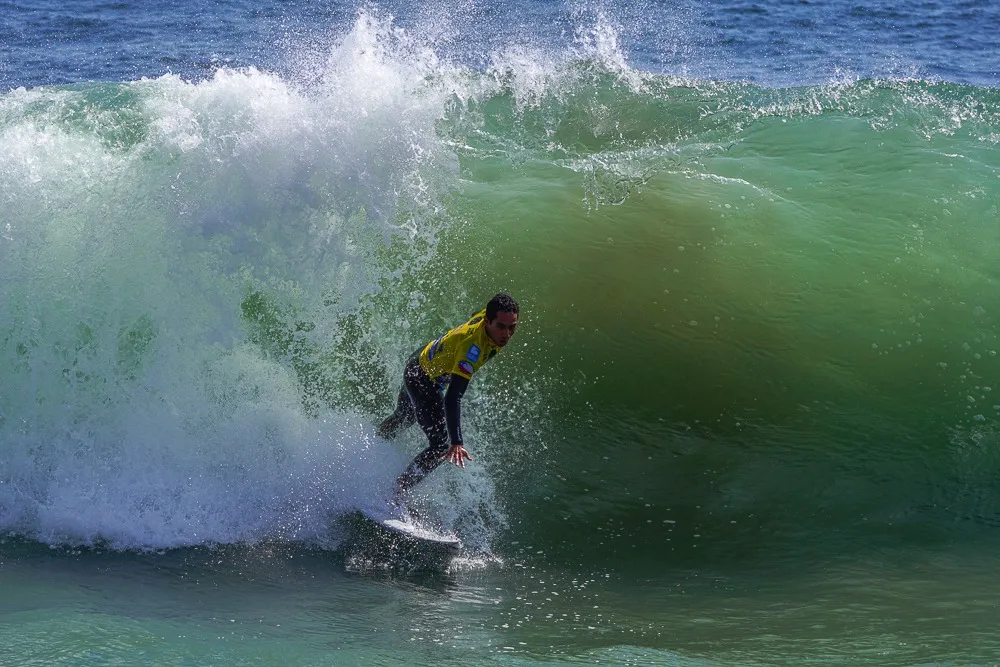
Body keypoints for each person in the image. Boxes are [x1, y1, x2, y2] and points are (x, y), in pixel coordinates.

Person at [377, 293, 520, 508]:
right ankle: (397, 493)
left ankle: (374, 439)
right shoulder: (472, 350)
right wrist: (457, 442)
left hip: (419, 360)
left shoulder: (487, 318)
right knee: (440, 445)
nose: (507, 334)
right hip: (422, 378)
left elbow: (479, 314)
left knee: (404, 417)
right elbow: (453, 396)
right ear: (488, 320)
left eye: (512, 327)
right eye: (501, 327)